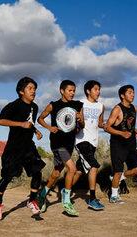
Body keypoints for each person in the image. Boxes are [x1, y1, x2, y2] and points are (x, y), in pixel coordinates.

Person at [0, 76, 45, 220]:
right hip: (14, 147)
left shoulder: (34, 107)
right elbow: (1, 121)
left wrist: (36, 130)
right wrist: (21, 124)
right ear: (21, 91)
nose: (33, 91)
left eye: (35, 89)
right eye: (30, 88)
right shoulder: (13, 105)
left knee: (37, 172)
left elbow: (29, 121)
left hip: (28, 146)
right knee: (8, 177)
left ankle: (32, 200)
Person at [37, 80, 84, 216]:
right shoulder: (54, 105)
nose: (72, 93)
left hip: (69, 143)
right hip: (57, 143)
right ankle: (67, 201)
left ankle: (42, 195)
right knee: (72, 168)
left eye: (74, 90)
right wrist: (49, 128)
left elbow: (82, 125)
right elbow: (40, 118)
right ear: (62, 91)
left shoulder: (77, 105)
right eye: (70, 90)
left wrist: (81, 120)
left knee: (56, 173)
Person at [105, 85, 137, 203]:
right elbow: (107, 127)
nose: (133, 95)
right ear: (122, 95)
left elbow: (130, 123)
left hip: (131, 144)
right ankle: (114, 196)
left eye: (133, 92)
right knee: (118, 170)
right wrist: (121, 133)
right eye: (130, 92)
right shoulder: (117, 109)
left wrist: (135, 130)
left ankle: (118, 179)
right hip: (118, 144)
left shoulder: (134, 108)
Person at [71, 80, 105, 211]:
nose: (98, 92)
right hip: (81, 140)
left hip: (94, 141)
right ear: (88, 91)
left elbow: (100, 123)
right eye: (96, 89)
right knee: (94, 166)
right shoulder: (80, 104)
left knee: (80, 170)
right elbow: (75, 123)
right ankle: (92, 198)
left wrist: (106, 125)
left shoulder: (101, 106)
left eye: (99, 89)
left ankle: (65, 191)